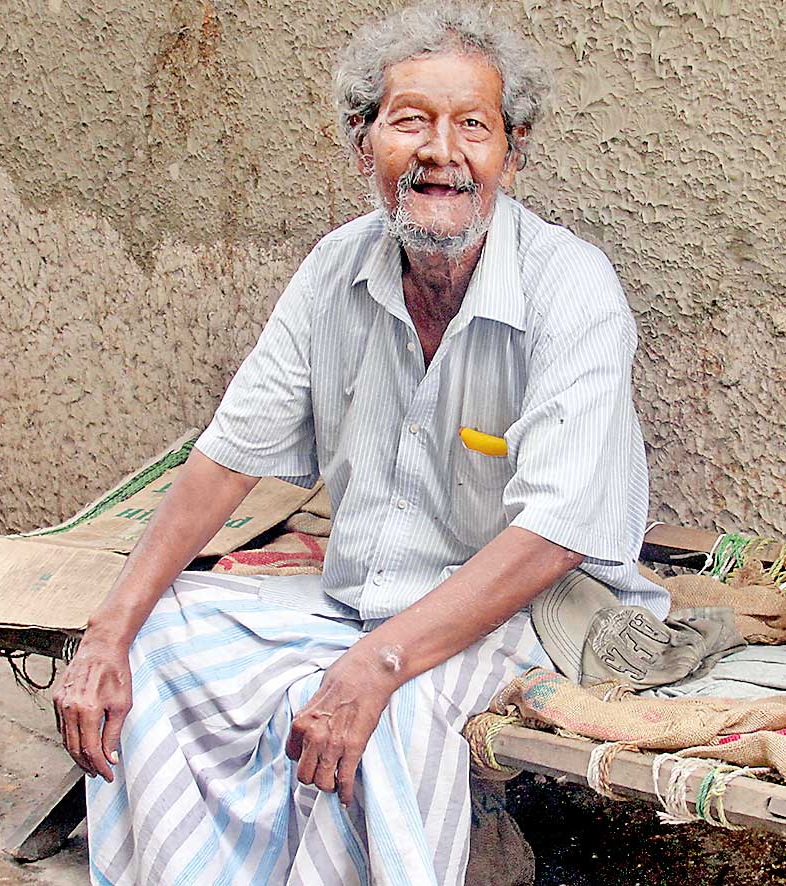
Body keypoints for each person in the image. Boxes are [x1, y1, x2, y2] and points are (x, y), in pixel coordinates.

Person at [51, 4, 666, 884]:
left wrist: (378, 664)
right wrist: (109, 630)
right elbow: (227, 458)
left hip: (532, 611)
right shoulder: (334, 268)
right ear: (362, 140)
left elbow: (553, 537)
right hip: (364, 599)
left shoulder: (571, 287)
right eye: (410, 121)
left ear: (512, 153)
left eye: (474, 127)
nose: (441, 153)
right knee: (158, 637)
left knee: (390, 715)